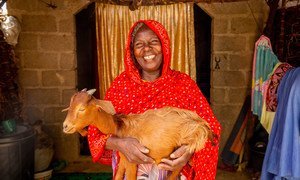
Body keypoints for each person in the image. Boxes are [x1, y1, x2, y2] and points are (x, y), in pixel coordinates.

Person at [88, 20, 221, 180]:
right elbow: (95, 131)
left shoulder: (183, 84)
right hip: (131, 172)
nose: (147, 49)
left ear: (164, 46)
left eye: (154, 42)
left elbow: (211, 129)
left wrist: (189, 151)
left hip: (174, 172)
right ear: (132, 51)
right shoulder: (121, 85)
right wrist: (120, 144)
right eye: (139, 45)